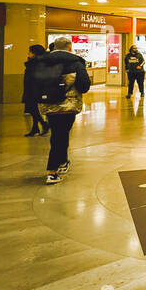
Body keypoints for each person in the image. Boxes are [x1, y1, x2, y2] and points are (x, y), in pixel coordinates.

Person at [32, 36, 91, 184]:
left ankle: (63, 162)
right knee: (60, 136)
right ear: (69, 47)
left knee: (59, 134)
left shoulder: (42, 61)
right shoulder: (76, 63)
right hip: (67, 106)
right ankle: (52, 171)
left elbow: (33, 83)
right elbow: (84, 86)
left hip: (48, 105)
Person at [22, 44, 49, 136]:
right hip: (32, 88)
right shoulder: (35, 62)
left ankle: (42, 124)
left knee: (32, 108)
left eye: (30, 51)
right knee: (32, 109)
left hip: (34, 89)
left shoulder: (37, 63)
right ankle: (35, 128)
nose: (28, 53)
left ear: (34, 53)